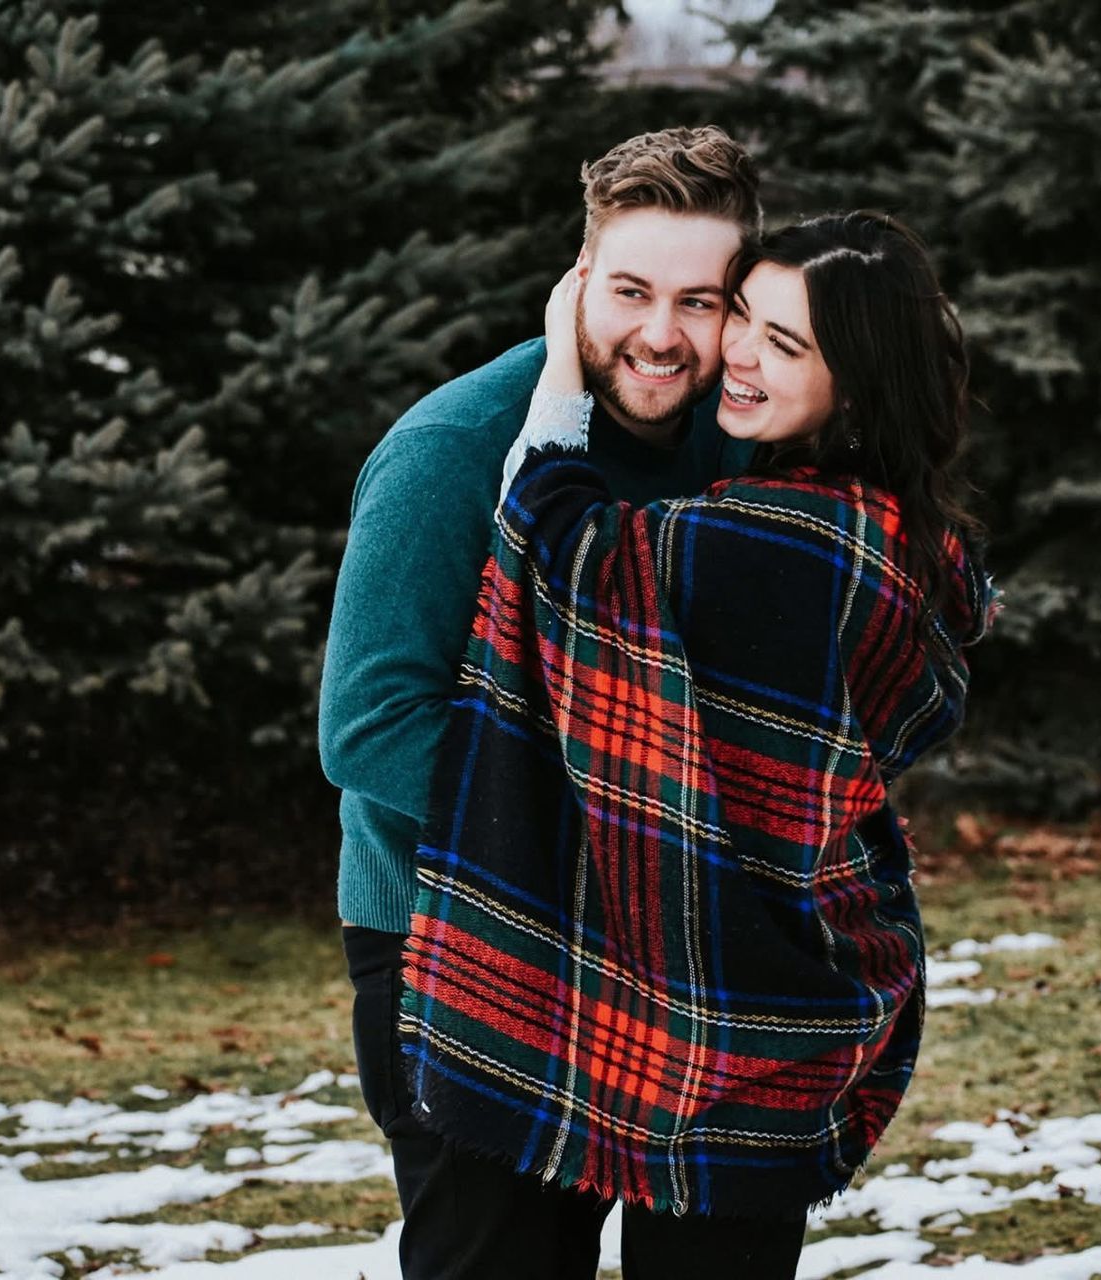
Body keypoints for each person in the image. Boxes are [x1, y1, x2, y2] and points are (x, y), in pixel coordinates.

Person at [398, 211, 1001, 1277]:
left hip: (726, 986)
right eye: (747, 318)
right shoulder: (896, 531)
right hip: (777, 979)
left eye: (787, 343)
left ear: (856, 385)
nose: (737, 352)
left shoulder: (780, 541)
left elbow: (555, 530)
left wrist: (561, 376)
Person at [316, 125, 764, 1279]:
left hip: (676, 941)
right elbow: (367, 723)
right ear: (577, 282)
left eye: (699, 300)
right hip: (461, 933)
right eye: (629, 290)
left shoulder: (742, 450)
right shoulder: (452, 448)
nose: (661, 334)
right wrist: (617, 829)